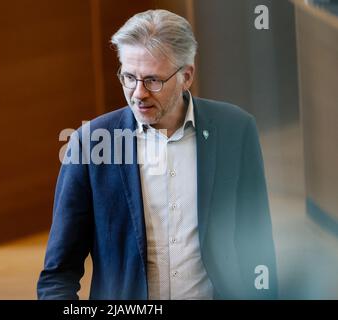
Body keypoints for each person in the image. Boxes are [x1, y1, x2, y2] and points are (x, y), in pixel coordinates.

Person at [37, 9, 278, 300]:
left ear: (186, 76)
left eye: (153, 80)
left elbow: (259, 252)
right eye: (128, 76)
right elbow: (57, 276)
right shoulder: (90, 145)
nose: (138, 93)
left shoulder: (236, 130)